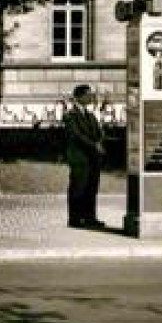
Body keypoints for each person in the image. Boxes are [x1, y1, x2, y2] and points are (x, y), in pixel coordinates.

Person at [63, 83, 106, 228]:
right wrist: (94, 145)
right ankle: (74, 219)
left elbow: (98, 133)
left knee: (91, 189)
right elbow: (76, 136)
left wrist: (99, 141)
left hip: (93, 158)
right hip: (79, 157)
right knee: (78, 188)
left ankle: (90, 217)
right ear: (79, 97)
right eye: (87, 95)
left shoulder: (91, 115)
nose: (90, 97)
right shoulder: (70, 116)